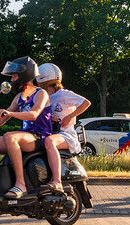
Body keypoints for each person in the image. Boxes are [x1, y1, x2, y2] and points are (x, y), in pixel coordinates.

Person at [0, 56, 51, 199]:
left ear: (25, 74)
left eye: (15, 76)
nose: (12, 79)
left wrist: (10, 112)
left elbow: (34, 114)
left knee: (10, 136)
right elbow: (2, 120)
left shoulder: (41, 93)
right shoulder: (19, 97)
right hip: (25, 136)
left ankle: (21, 184)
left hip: (39, 136)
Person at [34, 63, 91, 193]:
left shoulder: (63, 94)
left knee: (49, 142)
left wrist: (70, 116)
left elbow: (86, 103)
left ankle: (57, 181)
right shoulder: (44, 96)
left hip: (66, 134)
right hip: (53, 132)